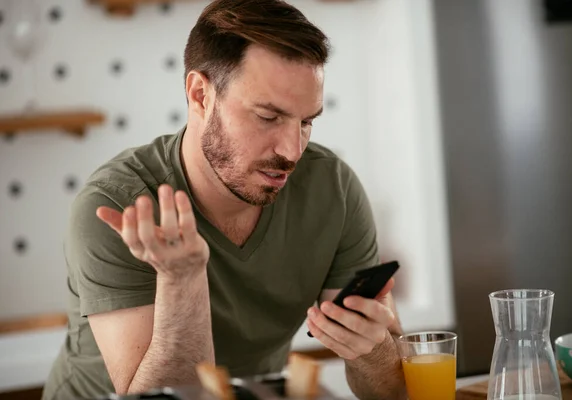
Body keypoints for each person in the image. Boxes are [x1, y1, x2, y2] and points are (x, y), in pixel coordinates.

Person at [43, 0, 406, 399]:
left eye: (306, 122)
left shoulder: (332, 188)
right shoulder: (119, 206)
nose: (291, 150)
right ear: (200, 95)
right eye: (268, 117)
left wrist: (373, 351)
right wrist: (182, 280)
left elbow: (393, 393)